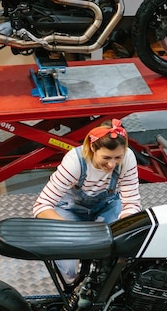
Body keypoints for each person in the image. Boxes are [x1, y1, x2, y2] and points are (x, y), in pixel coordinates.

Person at [33, 118, 142, 280]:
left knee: (120, 257)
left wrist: (122, 227)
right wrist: (75, 232)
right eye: (106, 158)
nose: (112, 165)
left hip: (107, 206)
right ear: (92, 148)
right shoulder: (74, 162)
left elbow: (132, 204)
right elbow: (41, 206)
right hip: (70, 209)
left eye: (117, 158)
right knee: (72, 271)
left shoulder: (127, 158)